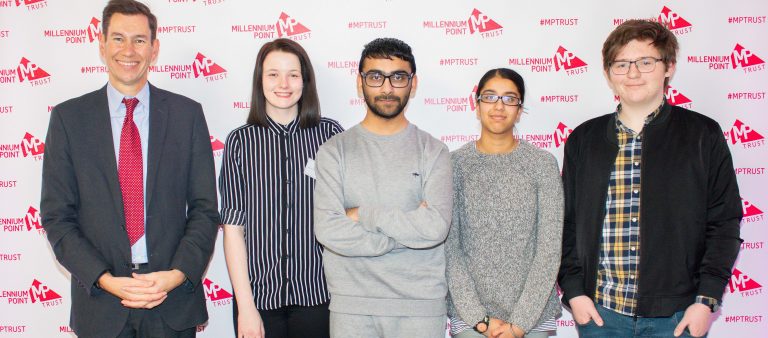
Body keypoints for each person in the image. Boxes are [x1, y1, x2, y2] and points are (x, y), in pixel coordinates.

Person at [40, 1, 219, 337]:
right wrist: (105, 280)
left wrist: (177, 274)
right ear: (101, 44)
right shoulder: (68, 120)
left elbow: (205, 210)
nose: (128, 50)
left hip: (172, 301)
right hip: (101, 306)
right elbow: (56, 216)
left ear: (154, 49)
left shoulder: (187, 115)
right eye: (118, 38)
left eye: (139, 40)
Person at [558, 19, 742, 338]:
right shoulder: (583, 140)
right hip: (600, 314)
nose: (633, 74)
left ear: (668, 67)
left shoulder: (702, 135)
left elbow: (724, 222)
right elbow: (566, 223)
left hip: (678, 316)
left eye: (646, 62)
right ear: (607, 73)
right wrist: (574, 291)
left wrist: (706, 300)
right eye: (622, 64)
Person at [313, 37, 452, 338]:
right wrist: (403, 234)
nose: (387, 88)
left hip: (420, 307)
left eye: (398, 77)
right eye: (376, 77)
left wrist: (364, 215)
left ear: (412, 85)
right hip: (352, 308)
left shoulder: (434, 151)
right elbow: (327, 229)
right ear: (359, 83)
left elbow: (435, 229)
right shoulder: (334, 151)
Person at [219, 38, 343, 338]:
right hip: (259, 301)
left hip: (319, 297)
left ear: (305, 81)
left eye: (293, 74)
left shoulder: (330, 135)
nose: (283, 83)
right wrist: (246, 306)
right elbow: (233, 229)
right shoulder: (240, 142)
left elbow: (346, 216)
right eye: (273, 74)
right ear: (260, 81)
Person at [447, 68, 562, 338]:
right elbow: (450, 251)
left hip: (532, 317)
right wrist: (480, 319)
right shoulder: (454, 166)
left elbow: (549, 249)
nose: (499, 106)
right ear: (476, 106)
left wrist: (520, 324)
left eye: (510, 98)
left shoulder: (542, 164)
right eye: (490, 97)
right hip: (471, 318)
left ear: (520, 110)